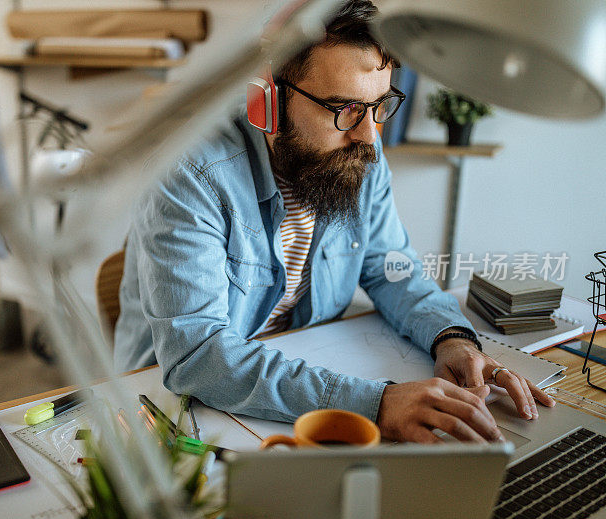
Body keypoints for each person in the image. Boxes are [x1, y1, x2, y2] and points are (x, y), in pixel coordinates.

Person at [114, 0, 554, 443]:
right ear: (264, 99)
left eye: (380, 105)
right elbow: (198, 355)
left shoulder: (358, 152)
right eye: (343, 108)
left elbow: (392, 270)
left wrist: (453, 338)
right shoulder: (189, 172)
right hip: (175, 410)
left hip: (296, 389)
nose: (368, 136)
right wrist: (375, 404)